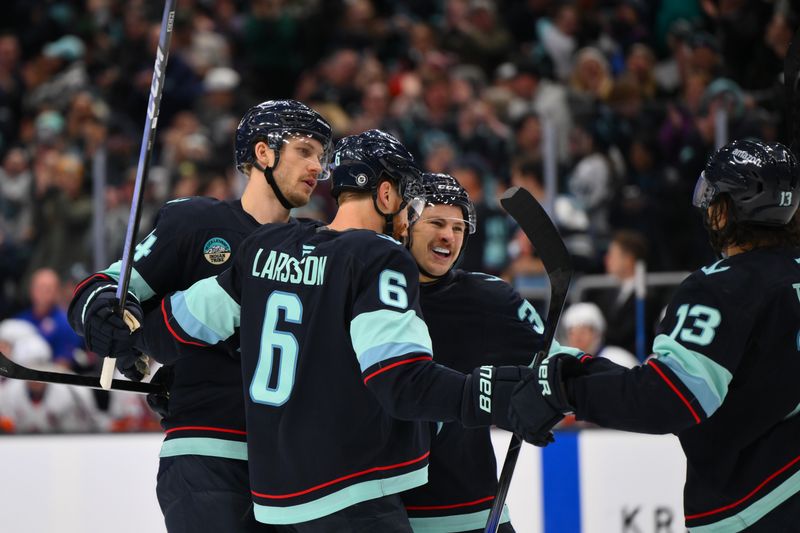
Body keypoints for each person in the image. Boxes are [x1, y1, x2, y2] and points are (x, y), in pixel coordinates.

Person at [113, 130, 529, 531]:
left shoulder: (269, 245)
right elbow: (399, 377)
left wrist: (137, 342)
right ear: (386, 195)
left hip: (273, 489)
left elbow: (183, 320)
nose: (408, 220)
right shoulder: (376, 256)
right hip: (344, 482)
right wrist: (504, 395)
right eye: (407, 203)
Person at [67, 99, 334, 533]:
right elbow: (104, 287)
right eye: (305, 150)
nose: (316, 166)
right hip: (206, 454)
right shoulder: (195, 222)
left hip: (291, 466)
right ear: (263, 153)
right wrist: (106, 315)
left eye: (320, 156)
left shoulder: (317, 245)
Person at [509, 138, 800, 532]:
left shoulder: (724, 288)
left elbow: (670, 397)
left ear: (724, 210)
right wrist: (577, 371)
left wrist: (564, 389)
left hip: (761, 503)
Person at [401, 173, 571, 532]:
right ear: (405, 223)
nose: (449, 235)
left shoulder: (486, 297)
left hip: (472, 508)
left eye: (459, 226)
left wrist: (545, 394)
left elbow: (557, 364)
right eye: (436, 222)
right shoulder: (371, 292)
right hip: (387, 514)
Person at [561, 302, 639, 369]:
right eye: (572, 333)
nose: (577, 338)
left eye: (583, 332)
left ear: (596, 334)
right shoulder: (562, 365)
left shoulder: (619, 360)